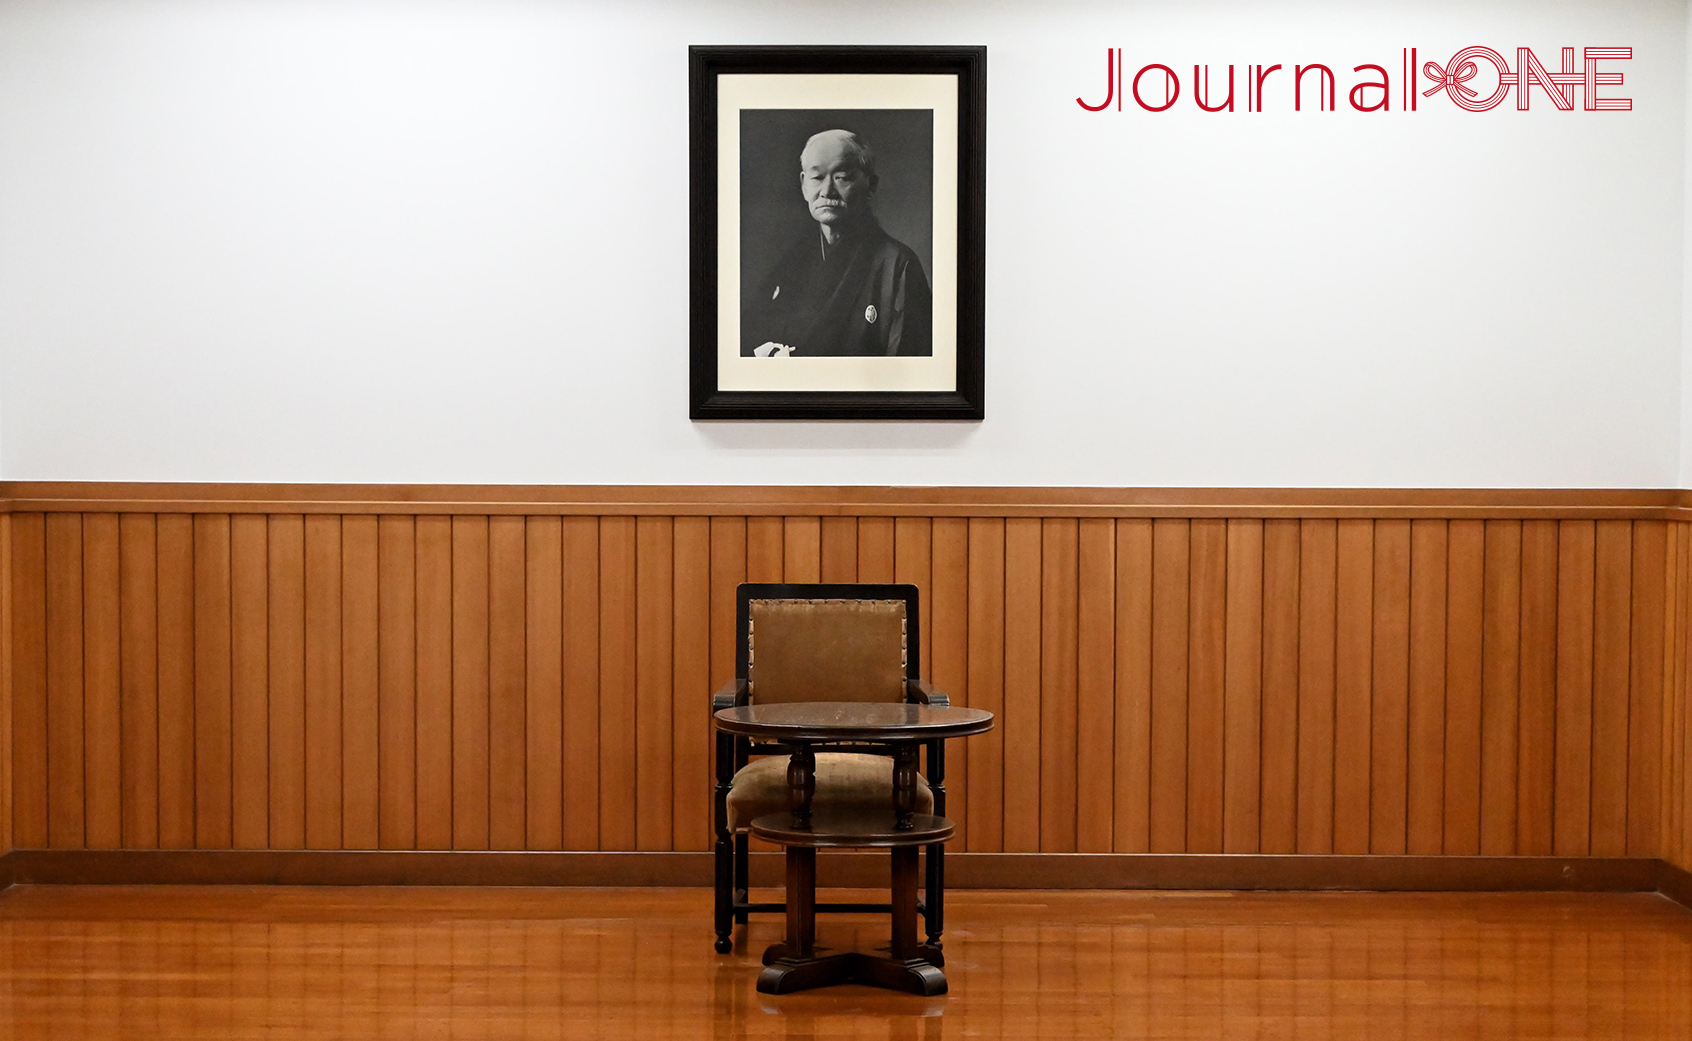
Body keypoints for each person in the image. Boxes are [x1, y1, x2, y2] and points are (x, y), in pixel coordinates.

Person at [743, 129, 932, 357]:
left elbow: (906, 369)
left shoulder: (898, 264)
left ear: (871, 185)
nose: (827, 191)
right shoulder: (791, 264)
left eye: (842, 177)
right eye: (816, 178)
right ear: (804, 186)